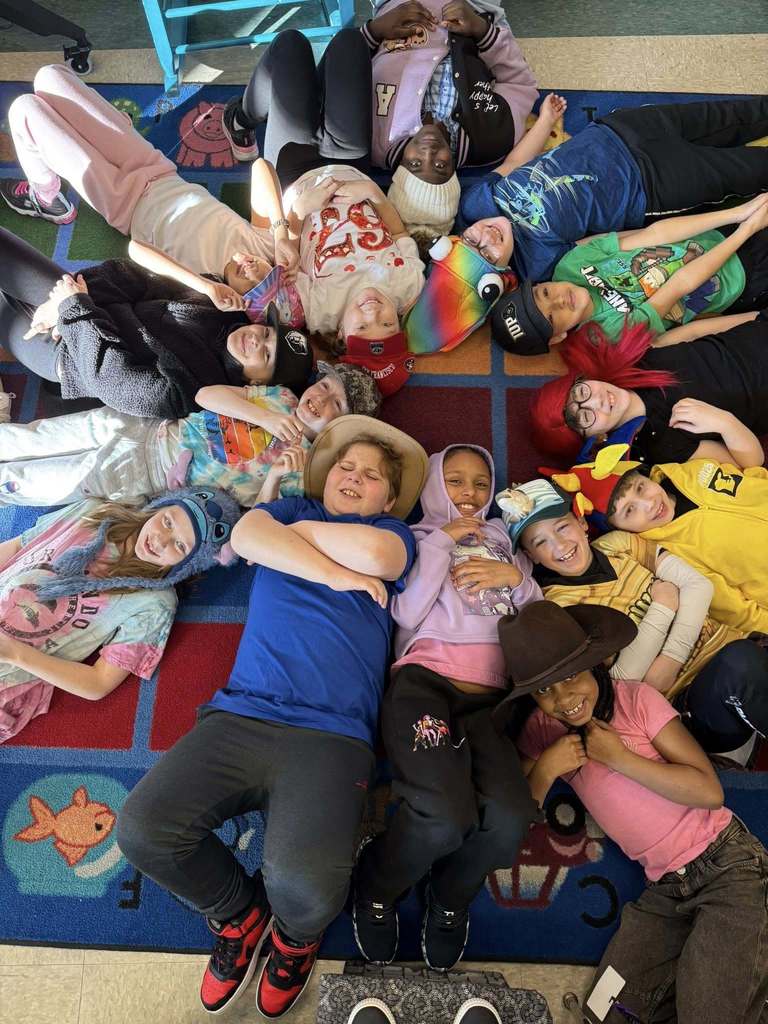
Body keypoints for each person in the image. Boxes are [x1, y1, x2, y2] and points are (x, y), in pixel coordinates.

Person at [116, 416, 428, 1018]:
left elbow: (375, 554)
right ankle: (239, 915)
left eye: (370, 476)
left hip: (332, 736)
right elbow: (250, 538)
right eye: (345, 467)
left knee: (307, 892)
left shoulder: (395, 533)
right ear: (324, 475)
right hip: (242, 715)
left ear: (389, 499)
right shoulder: (284, 514)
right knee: (142, 830)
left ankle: (293, 942)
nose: (354, 478)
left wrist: (300, 538)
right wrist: (337, 573)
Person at [498, 601, 768, 1024]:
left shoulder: (637, 701)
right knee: (607, 1011)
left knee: (709, 1013)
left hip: (727, 867)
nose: (563, 699)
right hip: (666, 890)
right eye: (544, 689)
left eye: (570, 677)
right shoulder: (541, 730)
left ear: (597, 663)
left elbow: (710, 791)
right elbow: (516, 815)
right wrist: (548, 768)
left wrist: (619, 757)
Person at [353, 445, 539, 970]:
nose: (470, 495)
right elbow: (406, 611)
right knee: (443, 816)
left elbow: (540, 619)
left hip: (490, 705)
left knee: (510, 819)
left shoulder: (508, 542)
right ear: (434, 486)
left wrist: (518, 582)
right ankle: (377, 883)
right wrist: (442, 542)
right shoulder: (413, 539)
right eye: (455, 481)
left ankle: (450, 896)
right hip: (425, 686)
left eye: (481, 484)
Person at [500, 477, 767, 754]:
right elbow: (623, 677)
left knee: (745, 655)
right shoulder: (558, 606)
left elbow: (698, 587)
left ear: (581, 523)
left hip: (731, 643)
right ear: (531, 555)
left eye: (563, 527)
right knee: (740, 663)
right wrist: (664, 607)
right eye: (541, 542)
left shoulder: (618, 545)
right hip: (688, 699)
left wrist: (669, 657)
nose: (559, 545)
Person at [0, 64, 298, 301]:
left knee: (24, 110)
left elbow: (136, 251)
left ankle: (46, 197)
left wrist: (206, 288)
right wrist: (280, 232)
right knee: (50, 76)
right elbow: (261, 168)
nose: (250, 267)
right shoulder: (263, 246)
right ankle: (47, 187)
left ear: (237, 297)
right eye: (261, 271)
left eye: (249, 283)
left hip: (123, 203)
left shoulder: (204, 284)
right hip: (154, 167)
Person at [0, 486, 241, 742]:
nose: (161, 540)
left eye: (180, 545)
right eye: (167, 521)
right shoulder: (92, 513)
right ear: (158, 507)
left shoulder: (153, 602)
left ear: (186, 565)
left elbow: (99, 683)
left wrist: (15, 654)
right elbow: (20, 546)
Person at [0, 232, 313, 420]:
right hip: (81, 298)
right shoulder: (224, 306)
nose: (258, 340)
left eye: (268, 356)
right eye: (268, 333)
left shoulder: (198, 392)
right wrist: (69, 300)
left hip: (69, 352)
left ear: (258, 385)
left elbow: (111, 380)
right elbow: (133, 276)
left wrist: (75, 310)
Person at [457, 96, 768, 285]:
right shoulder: (537, 265)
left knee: (735, 115)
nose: (486, 238)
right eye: (487, 255)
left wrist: (546, 121)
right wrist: (735, 216)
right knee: (750, 169)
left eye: (472, 240)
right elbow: (618, 242)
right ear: (502, 274)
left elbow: (514, 162)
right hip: (652, 184)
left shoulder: (477, 204)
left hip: (620, 131)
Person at [0, 361, 380, 508]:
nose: (321, 397)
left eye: (337, 403)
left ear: (341, 427)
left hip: (146, 472)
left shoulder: (305, 470)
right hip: (146, 425)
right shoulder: (281, 397)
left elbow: (260, 514)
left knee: (34, 481)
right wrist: (260, 417)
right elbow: (204, 396)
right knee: (36, 436)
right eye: (325, 386)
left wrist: (279, 474)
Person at [492, 194, 768, 353]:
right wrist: (746, 230)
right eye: (552, 316)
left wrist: (738, 215)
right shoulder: (608, 334)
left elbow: (653, 234)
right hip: (741, 277)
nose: (560, 300)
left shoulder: (571, 264)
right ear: (558, 338)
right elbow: (679, 285)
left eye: (545, 293)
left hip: (712, 233)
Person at [549, 443, 768, 638]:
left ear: (647, 476)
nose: (649, 503)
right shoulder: (672, 555)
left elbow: (752, 479)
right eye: (629, 511)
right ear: (621, 529)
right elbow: (735, 610)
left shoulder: (692, 471)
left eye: (640, 488)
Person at [361, 0, 537, 240]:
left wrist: (375, 30)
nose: (428, 152)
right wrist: (481, 30)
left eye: (414, 165)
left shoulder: (371, 140)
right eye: (440, 166)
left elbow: (343, 69)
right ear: (455, 176)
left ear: (397, 171)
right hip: (475, 7)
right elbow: (520, 83)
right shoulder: (491, 141)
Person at [530, 314, 768, 468]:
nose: (597, 401)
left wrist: (756, 318)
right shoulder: (665, 445)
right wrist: (724, 422)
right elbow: (749, 466)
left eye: (581, 393)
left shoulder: (636, 359)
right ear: (597, 438)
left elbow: (696, 333)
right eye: (585, 416)